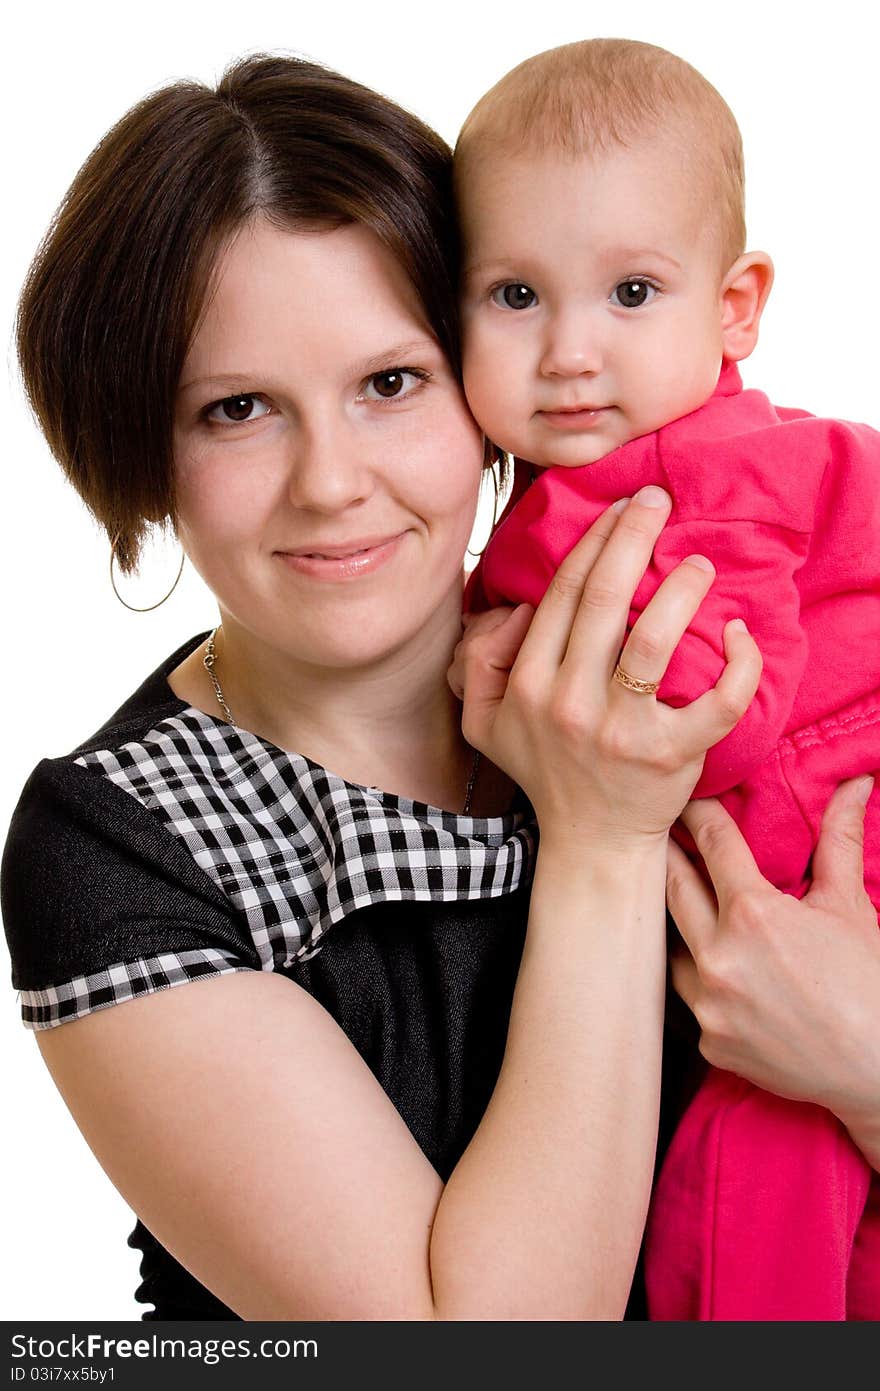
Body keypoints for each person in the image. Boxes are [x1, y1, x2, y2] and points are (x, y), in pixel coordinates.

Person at [0, 51, 876, 1325]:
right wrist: (599, 839)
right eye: (236, 408)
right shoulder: (122, 843)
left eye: (390, 382)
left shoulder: (669, 627)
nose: (332, 480)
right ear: (138, 445)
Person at [453, 37, 880, 1319]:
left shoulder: (706, 476)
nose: (570, 351)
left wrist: (515, 660)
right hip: (783, 881)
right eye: (514, 296)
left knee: (747, 1184)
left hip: (828, 865)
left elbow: (717, 709)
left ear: (736, 306)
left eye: (631, 293)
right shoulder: (608, 474)